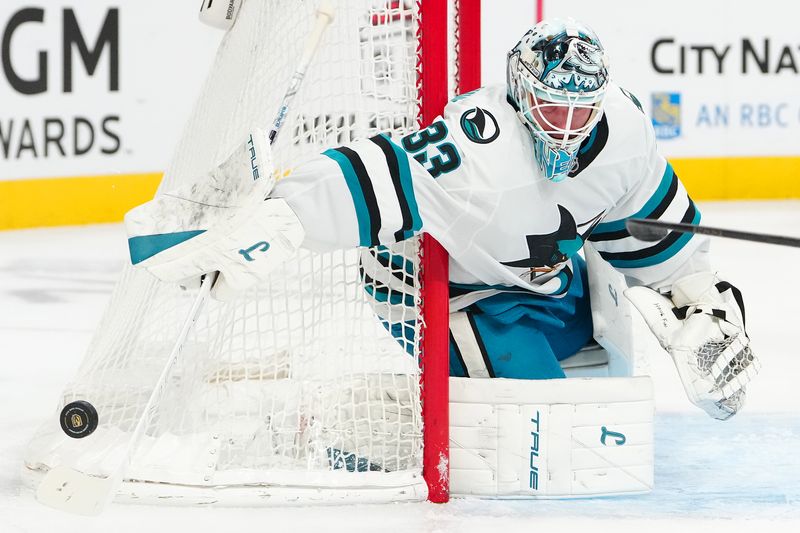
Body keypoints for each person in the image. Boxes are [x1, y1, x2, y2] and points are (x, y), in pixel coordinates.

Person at [125, 18, 759, 421]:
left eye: (579, 112)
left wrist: (697, 308)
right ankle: (368, 426)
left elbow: (652, 233)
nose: (567, 128)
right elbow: (376, 173)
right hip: (443, 295)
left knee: (599, 389)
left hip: (544, 284)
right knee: (541, 420)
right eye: (550, 108)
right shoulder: (476, 147)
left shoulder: (623, 131)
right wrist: (276, 224)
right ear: (517, 91)